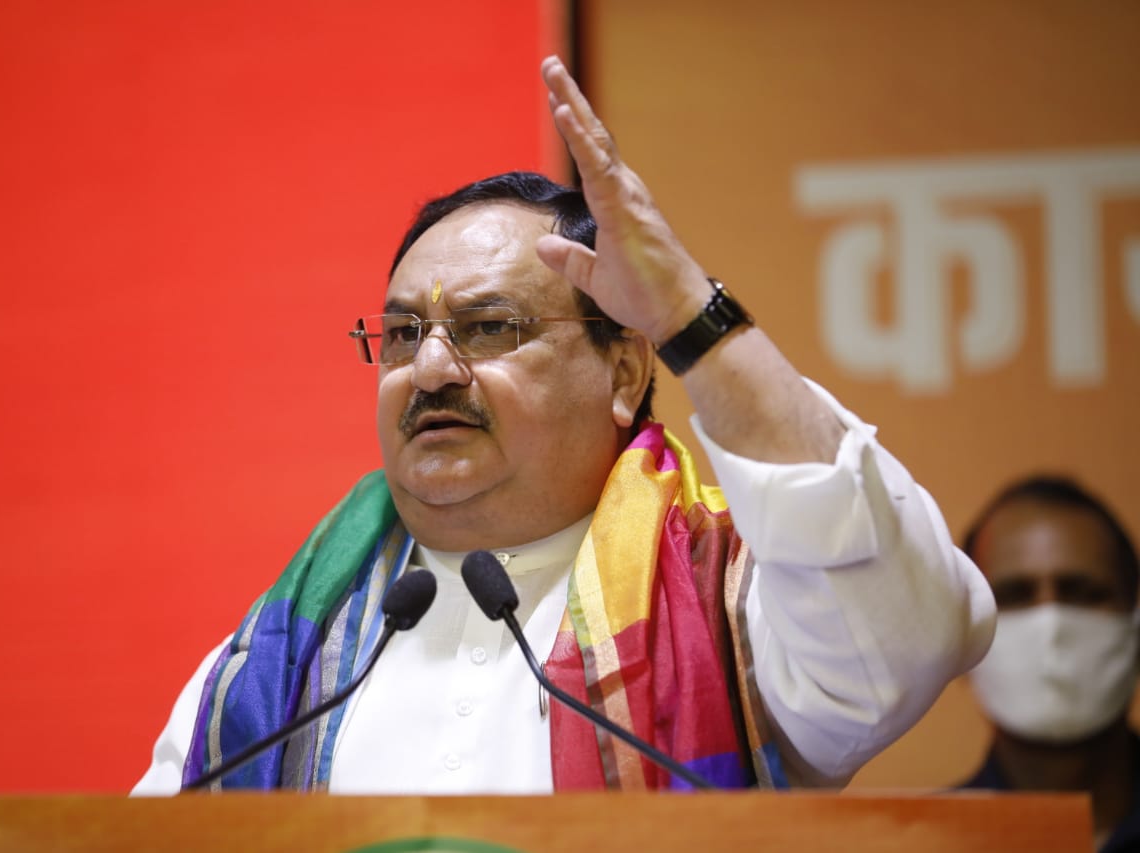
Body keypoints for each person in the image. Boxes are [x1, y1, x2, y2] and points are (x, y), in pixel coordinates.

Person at [132, 56, 994, 795]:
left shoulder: (739, 609)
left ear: (622, 367)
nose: (430, 370)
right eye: (402, 335)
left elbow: (910, 631)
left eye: (489, 328)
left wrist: (688, 310)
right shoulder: (281, 660)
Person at [960, 475, 1140, 852]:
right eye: (1014, 595)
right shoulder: (919, 841)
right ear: (961, 641)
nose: (1051, 625)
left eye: (1083, 592)